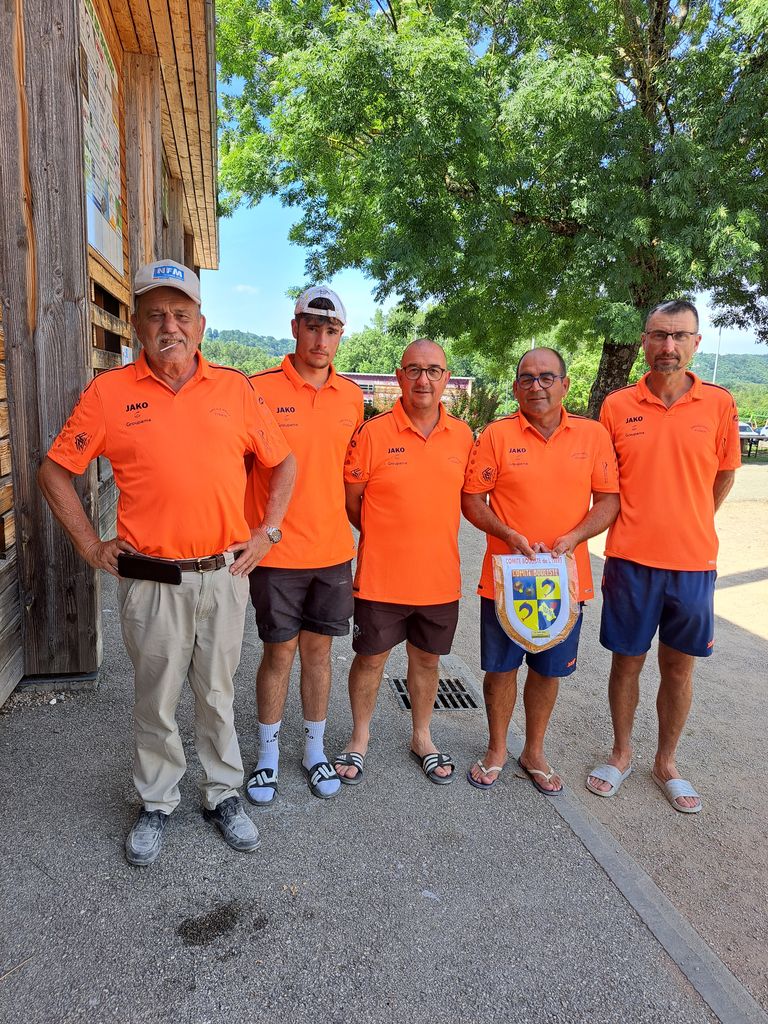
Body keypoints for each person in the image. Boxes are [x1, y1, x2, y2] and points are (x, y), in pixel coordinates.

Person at [38, 259, 296, 865]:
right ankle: (156, 801)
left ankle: (222, 794)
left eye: (181, 314)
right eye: (155, 315)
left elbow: (283, 461)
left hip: (224, 575)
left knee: (217, 693)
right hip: (152, 582)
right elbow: (54, 471)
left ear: (201, 324)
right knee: (155, 699)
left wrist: (268, 532)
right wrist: (90, 545)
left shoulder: (234, 390)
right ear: (136, 326)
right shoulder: (109, 394)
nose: (169, 326)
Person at [587, 300, 741, 813]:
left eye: (678, 336)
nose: (667, 346)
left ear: (696, 341)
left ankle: (666, 761)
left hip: (693, 563)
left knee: (678, 667)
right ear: (644, 341)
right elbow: (603, 483)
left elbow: (724, 473)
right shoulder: (616, 406)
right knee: (626, 662)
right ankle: (621, 752)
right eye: (658, 335)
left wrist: (692, 519)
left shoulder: (718, 403)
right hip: (630, 560)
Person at [462, 348, 620, 793]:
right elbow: (471, 500)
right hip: (507, 579)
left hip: (564, 581)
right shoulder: (496, 435)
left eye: (547, 377)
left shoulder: (592, 435)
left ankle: (534, 751)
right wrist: (507, 533)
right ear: (516, 388)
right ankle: (496, 749)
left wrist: (574, 537)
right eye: (527, 379)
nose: (537, 386)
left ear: (565, 384)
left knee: (548, 670)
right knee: (501, 669)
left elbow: (609, 500)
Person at [334, 340, 473, 785]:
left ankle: (422, 736)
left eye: (433, 371)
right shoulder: (372, 433)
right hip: (381, 578)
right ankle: (359, 737)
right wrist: (385, 534)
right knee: (370, 659)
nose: (423, 379)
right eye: (414, 369)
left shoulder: (464, 436)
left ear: (446, 379)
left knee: (427, 662)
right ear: (399, 376)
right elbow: (352, 502)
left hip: (439, 579)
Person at [244, 287, 363, 803]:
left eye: (331, 330)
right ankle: (267, 753)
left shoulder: (352, 396)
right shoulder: (257, 389)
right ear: (295, 327)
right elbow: (235, 469)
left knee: (319, 655)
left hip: (333, 552)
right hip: (277, 553)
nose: (321, 339)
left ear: (341, 336)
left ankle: (314, 750)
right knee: (279, 654)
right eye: (312, 327)